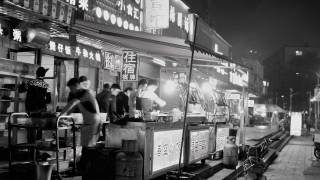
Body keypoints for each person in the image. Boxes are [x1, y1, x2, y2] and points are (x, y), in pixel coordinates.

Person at [59, 78, 101, 147]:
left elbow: (72, 103)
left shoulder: (83, 93)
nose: (71, 91)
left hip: (93, 123)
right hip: (90, 122)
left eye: (72, 88)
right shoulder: (80, 94)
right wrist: (65, 117)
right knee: (86, 145)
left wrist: (60, 116)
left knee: (88, 147)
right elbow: (73, 107)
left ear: (76, 85)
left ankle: (86, 157)